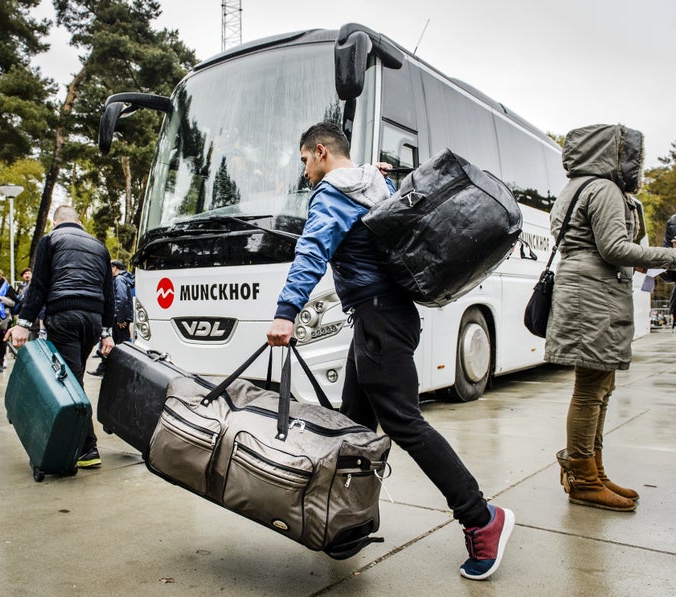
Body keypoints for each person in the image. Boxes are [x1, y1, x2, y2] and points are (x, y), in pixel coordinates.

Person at [266, 121, 514, 581]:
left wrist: (286, 312)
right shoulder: (372, 182)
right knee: (355, 426)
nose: (305, 172)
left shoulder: (333, 192)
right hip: (381, 316)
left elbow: (312, 251)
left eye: (304, 161)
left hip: (380, 317)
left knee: (404, 423)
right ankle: (347, 521)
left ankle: (482, 519)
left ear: (320, 152)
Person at [546, 124, 676, 512]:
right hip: (593, 296)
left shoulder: (578, 185)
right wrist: (670, 256)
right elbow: (615, 247)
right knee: (591, 388)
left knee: (600, 385)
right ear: (611, 154)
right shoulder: (601, 189)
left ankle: (593, 470)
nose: (635, 164)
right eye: (630, 155)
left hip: (591, 292)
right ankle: (584, 477)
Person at [6, 205, 115, 469]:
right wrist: (106, 332)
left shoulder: (51, 240)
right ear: (79, 222)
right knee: (74, 378)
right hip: (91, 320)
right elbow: (108, 292)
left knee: (69, 384)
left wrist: (23, 323)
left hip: (64, 316)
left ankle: (86, 448)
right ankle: (84, 446)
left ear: (55, 222)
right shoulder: (99, 246)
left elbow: (39, 285)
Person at [88, 259, 134, 376]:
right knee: (115, 344)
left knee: (123, 345)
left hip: (120, 318)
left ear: (114, 268)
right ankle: (103, 369)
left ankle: (125, 372)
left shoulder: (119, 279)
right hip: (120, 317)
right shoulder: (120, 279)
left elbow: (121, 299)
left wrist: (120, 319)